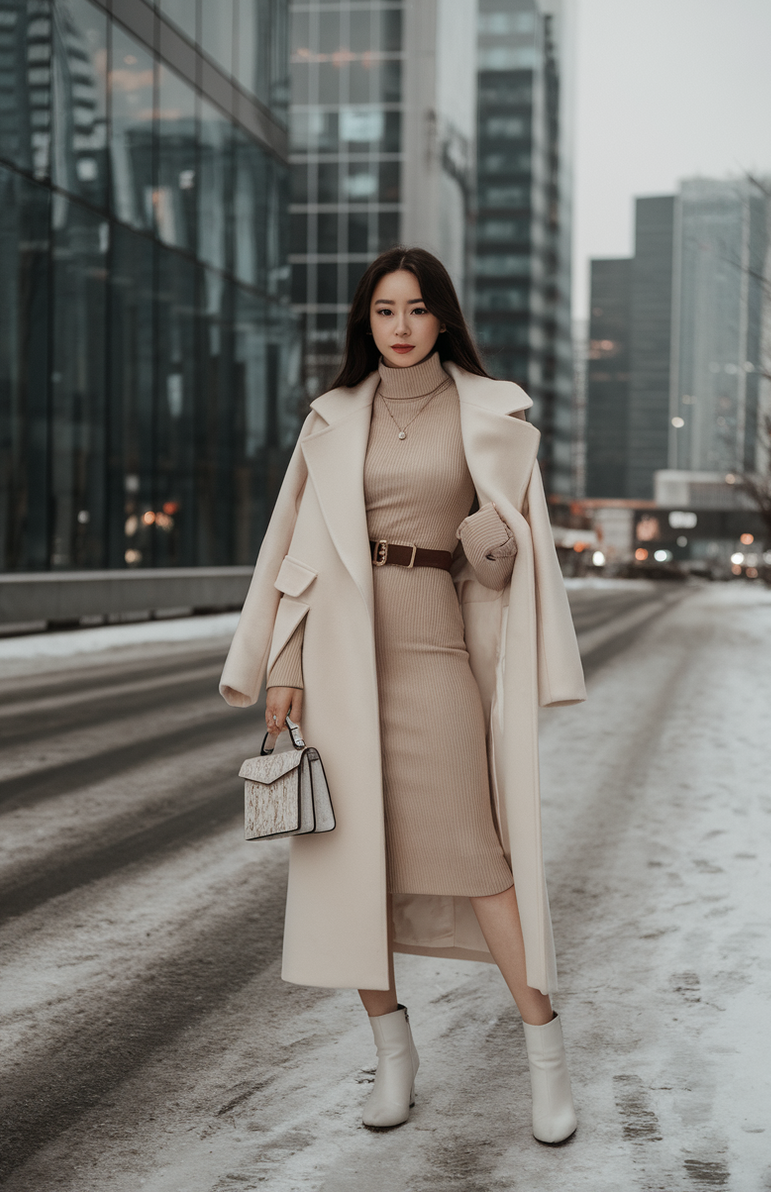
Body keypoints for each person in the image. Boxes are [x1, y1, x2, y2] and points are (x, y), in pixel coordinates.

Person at [219, 246, 586, 1143]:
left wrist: (497, 537)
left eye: (417, 309)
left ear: (443, 318)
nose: (401, 326)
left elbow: (504, 565)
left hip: (434, 641)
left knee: (482, 858)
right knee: (356, 870)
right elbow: (299, 556)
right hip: (343, 650)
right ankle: (393, 1058)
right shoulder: (332, 417)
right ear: (365, 322)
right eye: (384, 310)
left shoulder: (486, 411)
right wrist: (286, 664)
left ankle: (546, 1057)